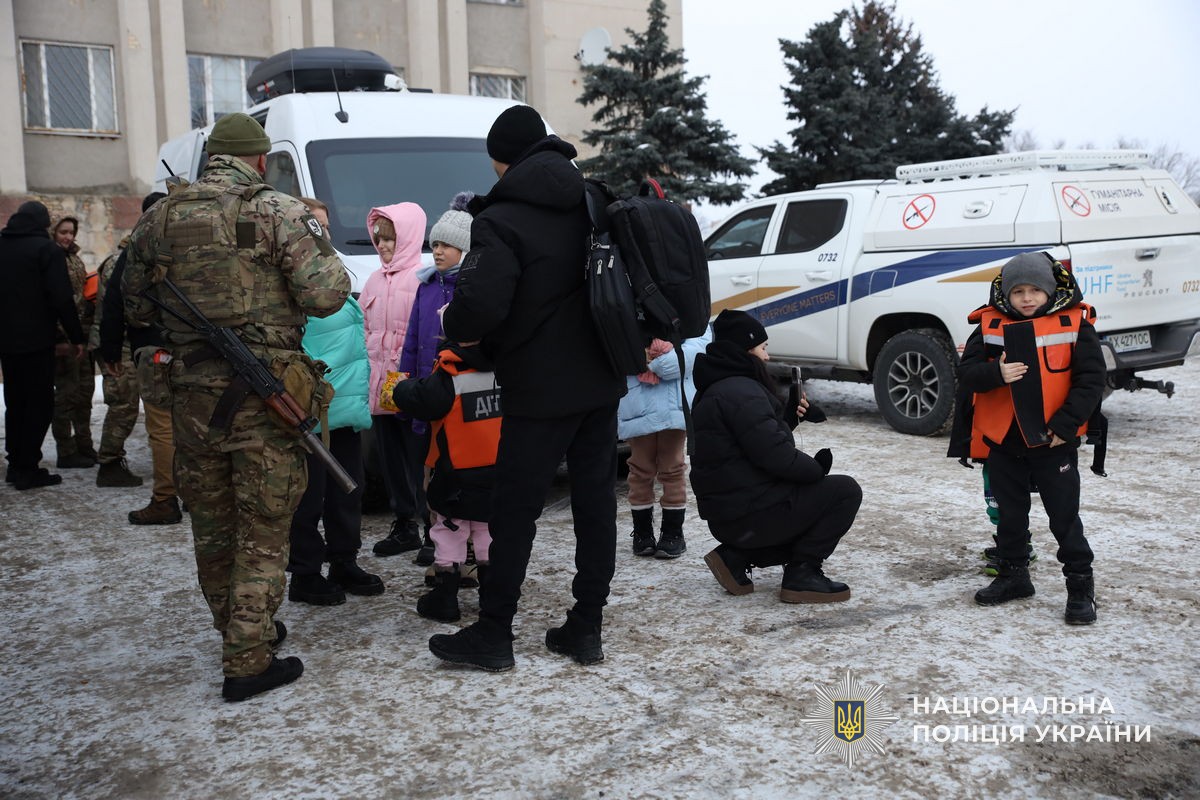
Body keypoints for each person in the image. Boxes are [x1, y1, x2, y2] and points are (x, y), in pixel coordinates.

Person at [123, 112, 350, 701]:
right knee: (264, 526)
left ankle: (240, 630)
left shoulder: (160, 217)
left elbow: (135, 303)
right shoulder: (276, 210)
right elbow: (327, 294)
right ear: (259, 159)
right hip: (262, 397)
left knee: (214, 524)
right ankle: (247, 657)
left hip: (191, 397)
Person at [428, 104, 626, 671]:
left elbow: (480, 306)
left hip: (538, 387)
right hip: (600, 379)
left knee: (514, 511)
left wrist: (454, 323)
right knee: (595, 506)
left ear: (500, 160)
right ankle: (585, 627)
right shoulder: (591, 198)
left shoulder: (502, 217)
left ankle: (494, 633)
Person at [957, 251, 1104, 624]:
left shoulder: (1076, 323)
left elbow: (1091, 381)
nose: (1026, 298)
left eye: (1035, 290)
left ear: (1050, 290)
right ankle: (1014, 577)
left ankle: (1080, 588)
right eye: (1018, 291)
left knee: (1064, 518)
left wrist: (1066, 426)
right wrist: (996, 373)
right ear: (1006, 293)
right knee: (1009, 516)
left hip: (1053, 442)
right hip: (1004, 442)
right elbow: (967, 373)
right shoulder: (988, 324)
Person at [690, 309, 861, 603]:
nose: (767, 356)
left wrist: (788, 417)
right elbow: (776, 456)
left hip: (731, 513)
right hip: (747, 514)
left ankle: (736, 556)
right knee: (845, 491)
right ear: (745, 349)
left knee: (806, 498)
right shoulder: (741, 391)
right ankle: (803, 574)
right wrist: (816, 470)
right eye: (763, 348)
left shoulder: (718, 387)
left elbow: (752, 445)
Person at [286, 197, 384, 606]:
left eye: (324, 225)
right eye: (313, 224)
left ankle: (344, 561)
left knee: (348, 491)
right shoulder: (288, 274)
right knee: (308, 496)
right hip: (310, 408)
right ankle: (305, 573)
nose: (321, 232)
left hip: (343, 404)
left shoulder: (334, 268)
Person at [392, 340, 499, 623]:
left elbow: (419, 398)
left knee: (450, 530)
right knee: (489, 530)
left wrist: (399, 387)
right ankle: (492, 597)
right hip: (498, 472)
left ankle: (445, 599)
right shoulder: (506, 366)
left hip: (455, 476)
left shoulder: (450, 373)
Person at [399, 191, 474, 568]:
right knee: (427, 470)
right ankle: (434, 536)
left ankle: (469, 542)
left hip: (459, 397)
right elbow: (412, 338)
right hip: (427, 395)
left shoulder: (470, 289)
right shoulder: (426, 286)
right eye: (435, 244)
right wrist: (402, 385)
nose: (438, 251)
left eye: (447, 245)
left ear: (465, 249)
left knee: (458, 470)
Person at [99, 192, 184, 525]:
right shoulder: (195, 242)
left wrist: (109, 351)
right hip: (197, 347)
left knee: (162, 427)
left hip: (153, 348)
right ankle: (196, 495)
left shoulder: (139, 246)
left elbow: (115, 301)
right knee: (194, 423)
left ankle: (165, 499)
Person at [0, 201, 86, 490]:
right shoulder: (46, 250)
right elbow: (61, 299)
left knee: (16, 403)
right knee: (39, 405)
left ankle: (15, 464)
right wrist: (76, 337)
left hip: (7, 343)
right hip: (37, 342)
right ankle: (28, 468)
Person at [360, 202, 430, 558]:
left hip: (409, 386)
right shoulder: (373, 280)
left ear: (408, 238)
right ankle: (404, 523)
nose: (383, 245)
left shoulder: (421, 278)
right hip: (380, 386)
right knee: (390, 459)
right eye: (379, 238)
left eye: (390, 238)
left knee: (419, 458)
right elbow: (365, 330)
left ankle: (432, 527)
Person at [620, 331, 710, 559]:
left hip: (674, 400)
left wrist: (661, 361)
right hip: (637, 400)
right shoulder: (630, 311)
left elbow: (699, 346)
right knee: (640, 468)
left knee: (672, 467)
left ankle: (673, 532)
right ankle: (642, 532)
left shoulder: (687, 313)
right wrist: (641, 356)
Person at [90, 229, 145, 488]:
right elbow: (114, 308)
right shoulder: (120, 262)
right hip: (117, 343)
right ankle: (109, 464)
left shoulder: (129, 257)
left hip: (121, 341)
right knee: (123, 403)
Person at [51, 215, 98, 469]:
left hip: (82, 336)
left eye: (71, 232)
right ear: (53, 232)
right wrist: (59, 336)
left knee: (84, 393)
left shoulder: (74, 258)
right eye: (63, 232)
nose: (68, 237)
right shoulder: (50, 259)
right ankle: (66, 450)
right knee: (66, 396)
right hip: (65, 339)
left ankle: (84, 444)